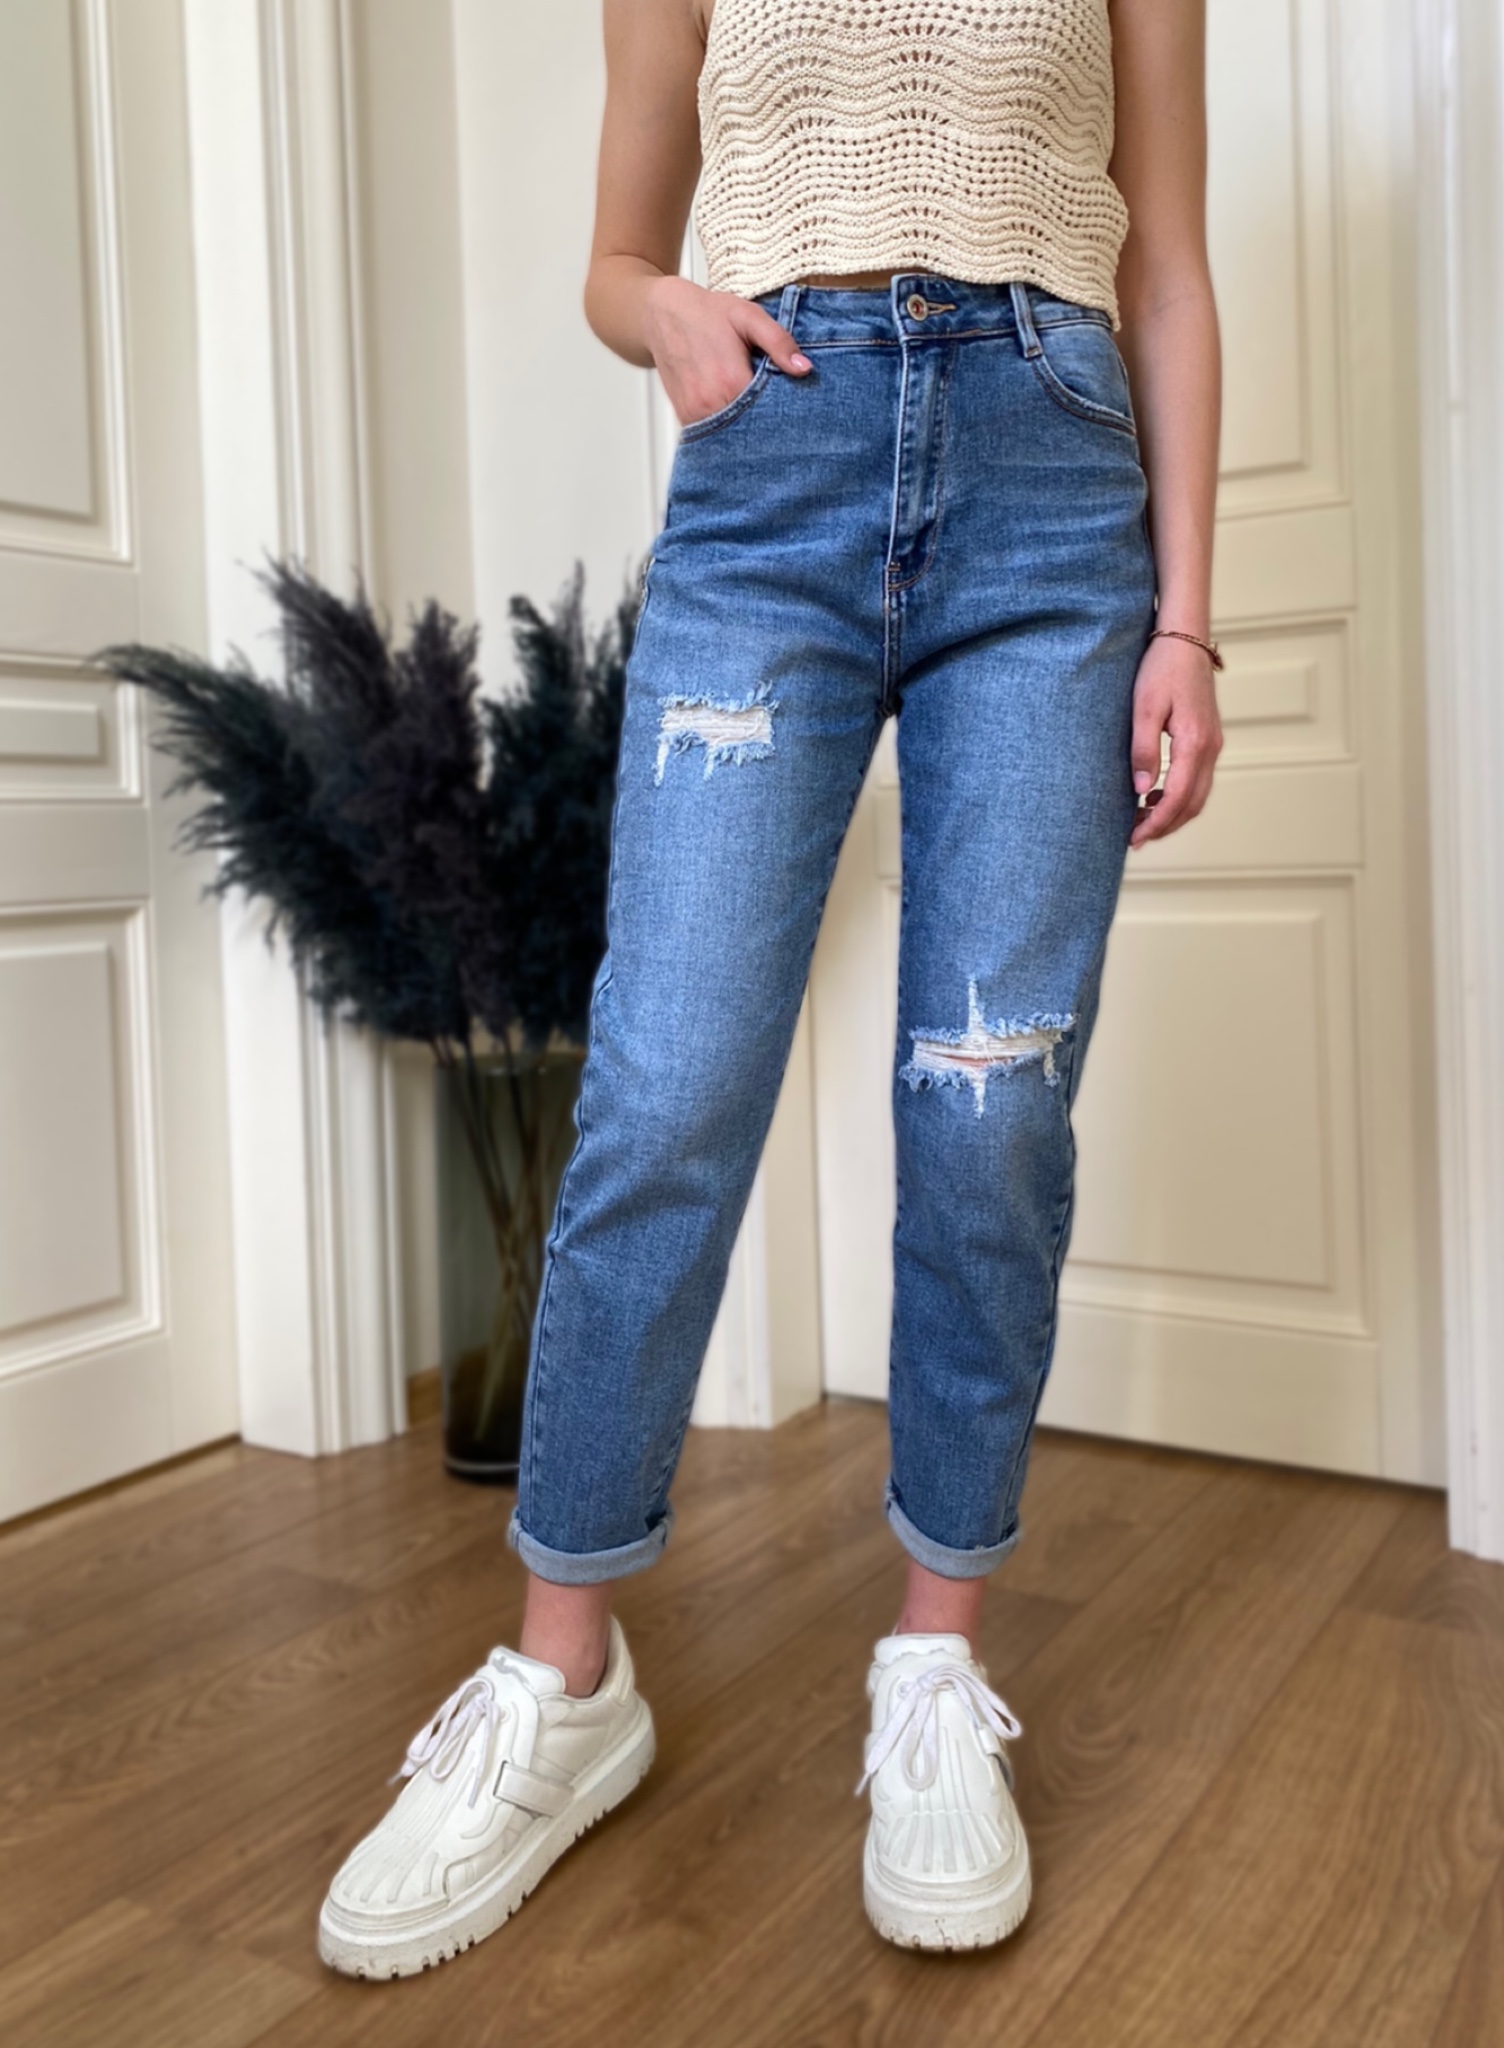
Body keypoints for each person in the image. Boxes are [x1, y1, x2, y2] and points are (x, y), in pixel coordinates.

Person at [319, 0, 1221, 1978]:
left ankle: (931, 1665)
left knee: (985, 1104)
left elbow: (1164, 258)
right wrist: (659, 312)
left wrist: (1185, 621)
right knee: (666, 1085)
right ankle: (563, 1682)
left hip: (1052, 499)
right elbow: (614, 255)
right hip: (773, 479)